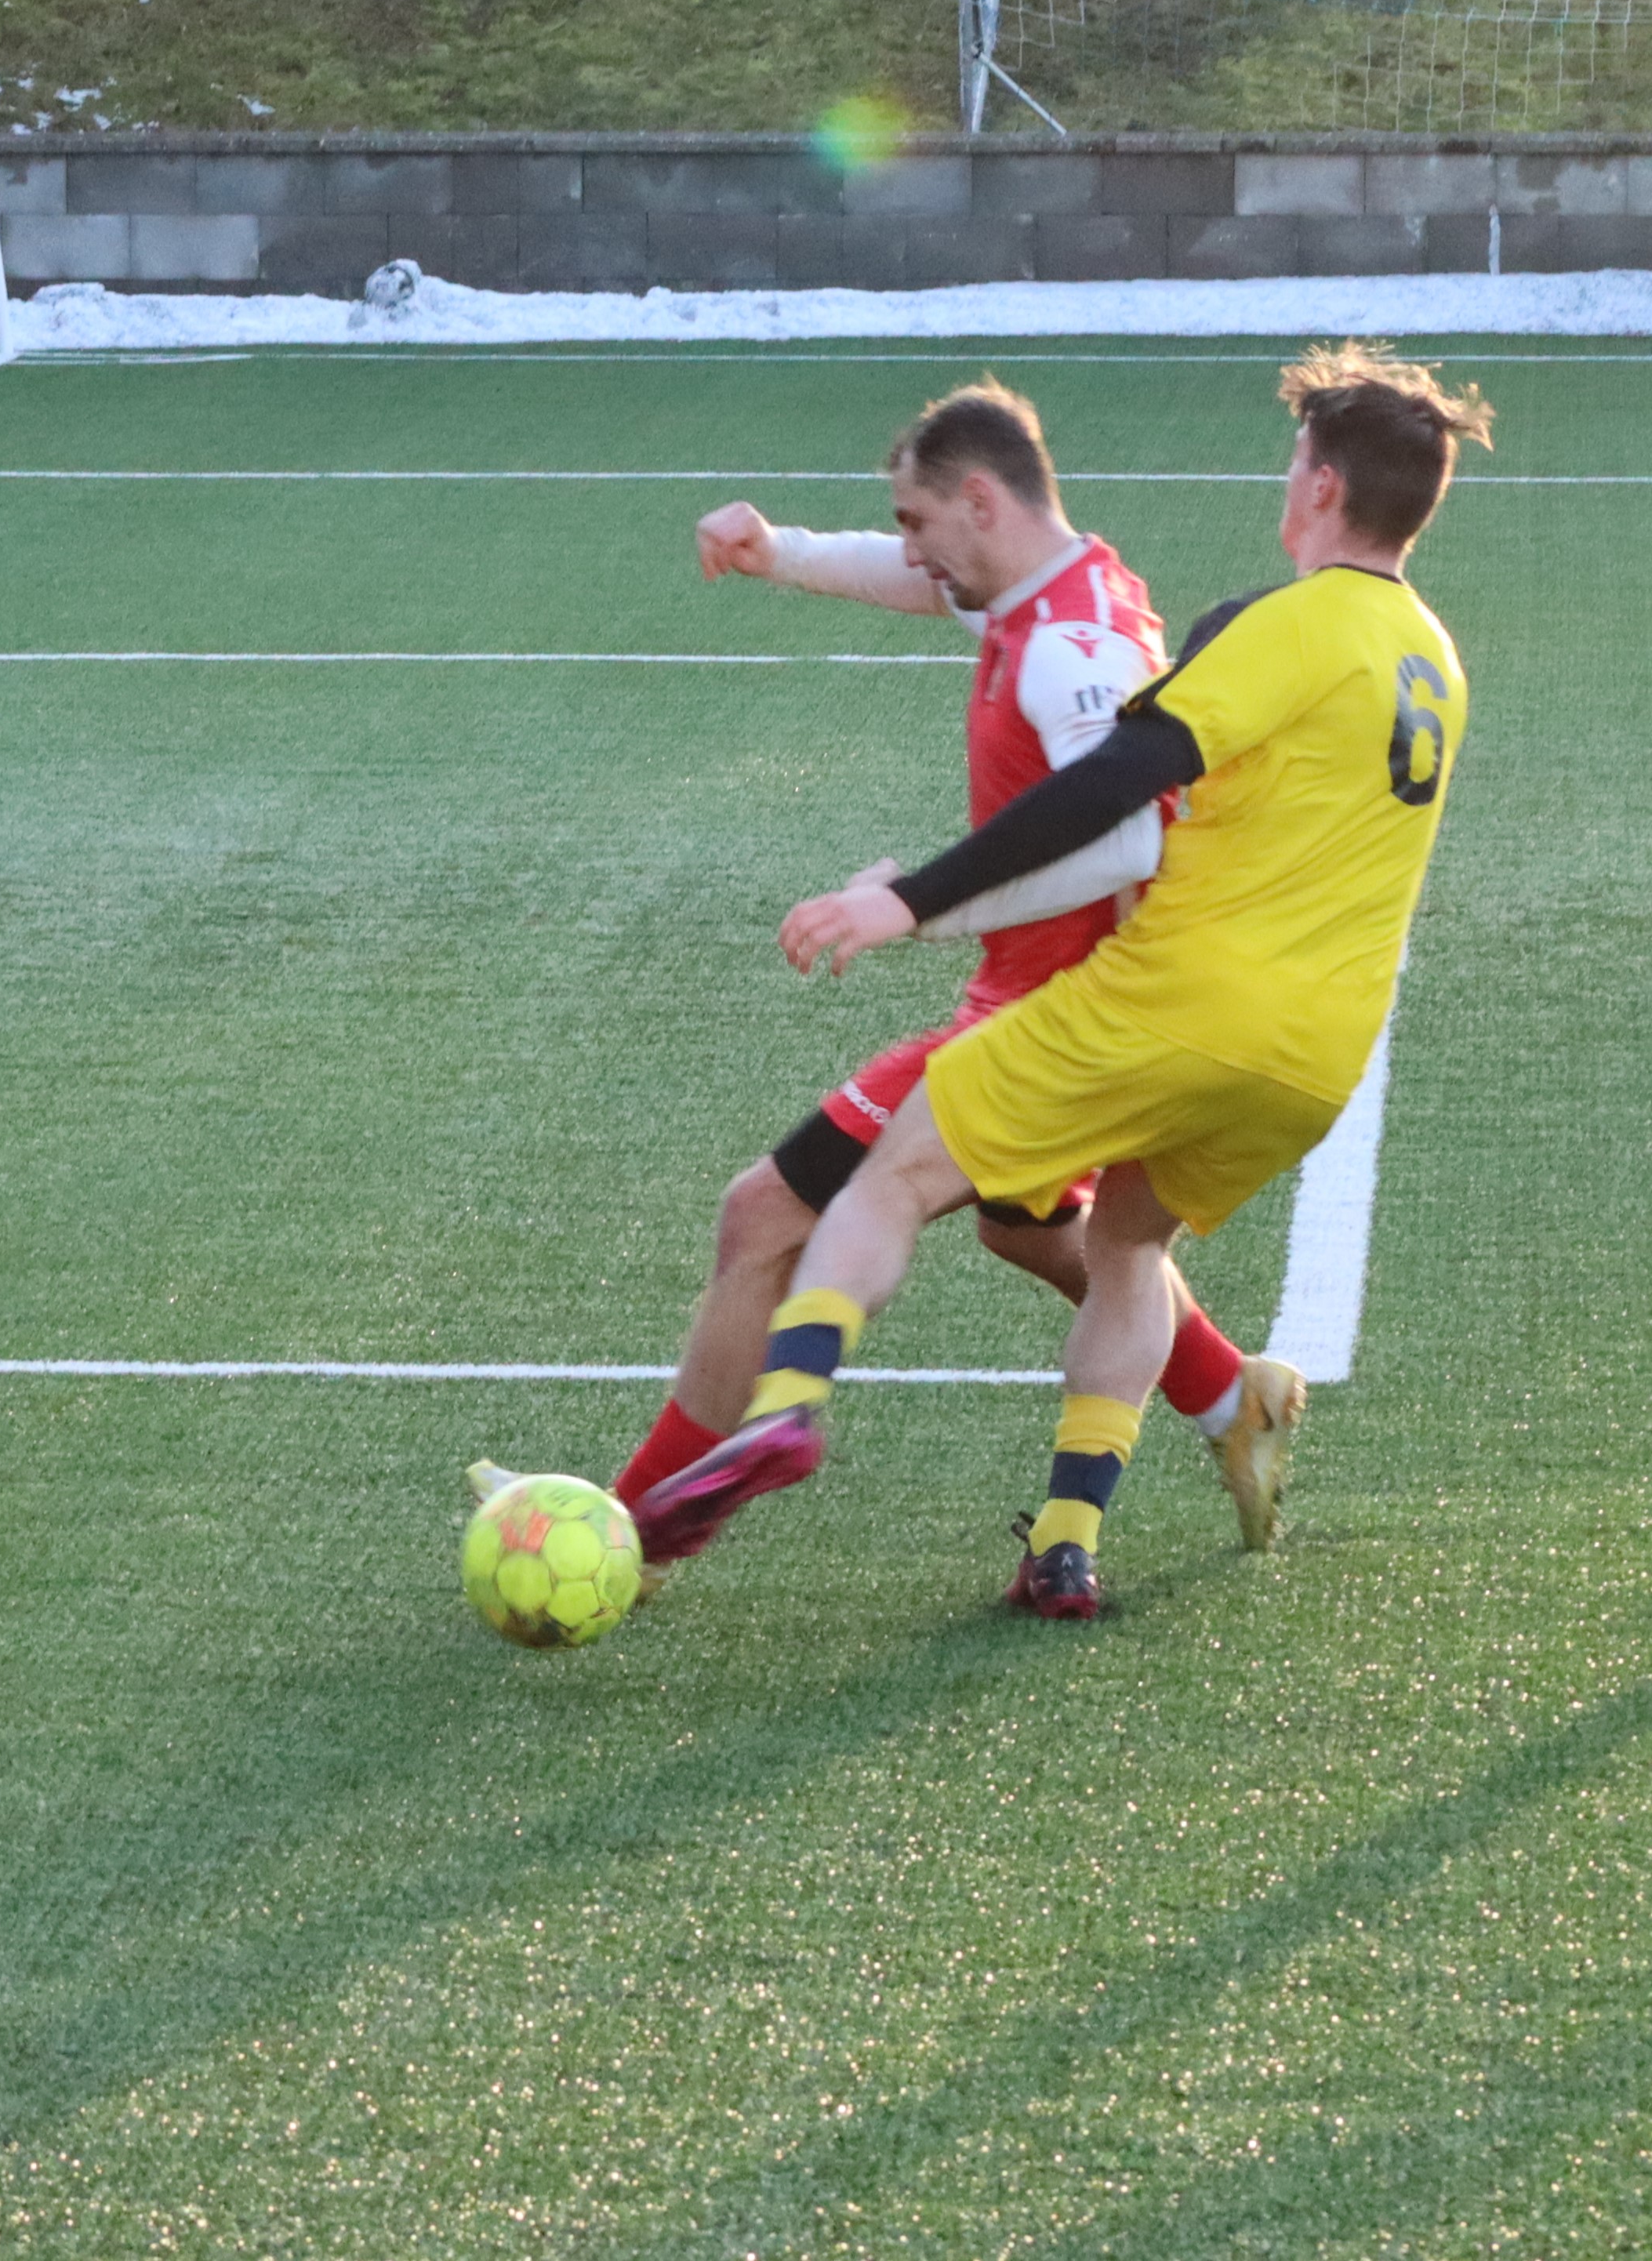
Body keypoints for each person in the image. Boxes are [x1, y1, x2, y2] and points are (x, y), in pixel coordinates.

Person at [637, 345, 1490, 1617]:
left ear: (1319, 483)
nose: (1284, 481)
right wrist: (786, 551)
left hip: (1150, 1003)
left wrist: (910, 903)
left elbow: (1119, 801)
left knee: (853, 1189)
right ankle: (1101, 1512)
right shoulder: (1432, 655)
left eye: (1294, 462)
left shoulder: (1259, 623)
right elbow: (968, 600)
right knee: (1109, 1242)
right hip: (1315, 1059)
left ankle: (767, 1424)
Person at [601, 383, 1299, 1559]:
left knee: (762, 1214)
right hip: (1045, 997)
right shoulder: (1049, 592)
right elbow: (915, 578)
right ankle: (1236, 1400)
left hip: (1054, 1018)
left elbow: (1126, 840)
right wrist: (779, 551)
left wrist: (913, 906)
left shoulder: (1071, 649)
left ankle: (632, 1533)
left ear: (982, 501)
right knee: (1033, 1230)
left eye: (918, 520)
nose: (912, 549)